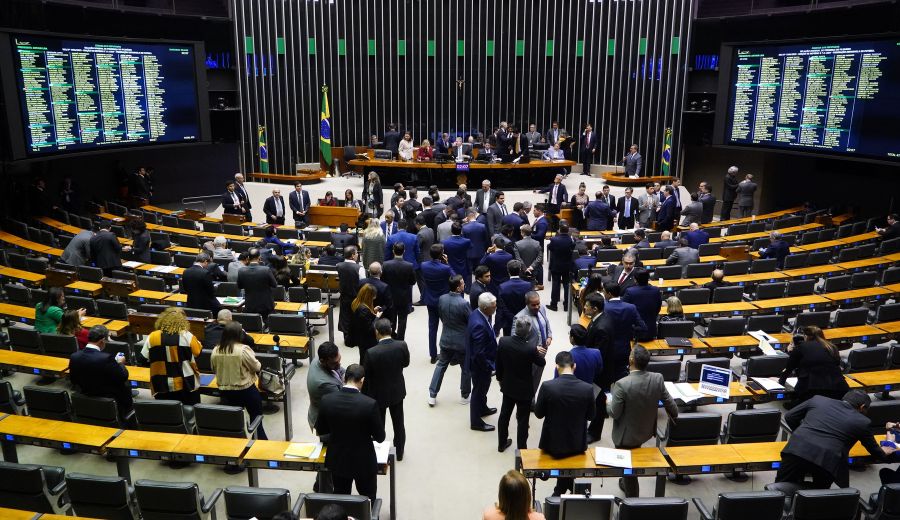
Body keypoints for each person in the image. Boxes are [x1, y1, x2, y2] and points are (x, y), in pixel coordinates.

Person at [776, 390, 890, 489]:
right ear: (862, 407)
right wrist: (887, 448)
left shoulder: (818, 400)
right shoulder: (863, 422)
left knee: (780, 488)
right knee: (817, 495)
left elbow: (789, 416)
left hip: (797, 449)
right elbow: (876, 452)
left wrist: (801, 433)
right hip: (827, 460)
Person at [607, 345, 678, 496]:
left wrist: (607, 403)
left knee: (628, 469)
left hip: (625, 437)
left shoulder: (622, 384)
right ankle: (625, 482)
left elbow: (614, 413)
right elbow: (672, 407)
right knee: (630, 464)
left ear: (631, 360)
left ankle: (632, 500)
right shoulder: (657, 378)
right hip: (645, 431)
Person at [315, 364, 386, 502]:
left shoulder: (327, 400)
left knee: (341, 498)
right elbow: (380, 437)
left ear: (344, 378)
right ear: (362, 380)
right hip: (363, 461)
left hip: (338, 460)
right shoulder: (369, 404)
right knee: (368, 499)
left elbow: (321, 430)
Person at [534, 351, 596, 496]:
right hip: (577, 443)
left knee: (563, 479)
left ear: (557, 367)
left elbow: (538, 414)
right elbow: (591, 416)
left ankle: (559, 491)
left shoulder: (547, 386)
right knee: (568, 474)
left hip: (552, 443)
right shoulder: (587, 389)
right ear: (574, 366)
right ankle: (563, 489)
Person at [210, 321, 268, 440]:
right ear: (239, 335)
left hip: (225, 392)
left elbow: (213, 368)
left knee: (234, 421)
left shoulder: (215, 350)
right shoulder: (243, 350)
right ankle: (261, 442)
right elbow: (257, 367)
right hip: (246, 391)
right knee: (256, 418)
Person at [362, 319, 409, 460]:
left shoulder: (371, 352)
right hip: (397, 391)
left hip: (378, 393)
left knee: (379, 424)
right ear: (391, 328)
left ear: (377, 332)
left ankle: (380, 452)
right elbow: (406, 363)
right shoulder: (402, 345)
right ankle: (399, 452)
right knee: (399, 423)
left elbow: (367, 375)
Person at [141, 307, 202, 405]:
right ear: (183, 321)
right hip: (186, 382)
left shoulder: (153, 336)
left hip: (161, 382)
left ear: (163, 319)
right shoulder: (187, 336)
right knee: (190, 411)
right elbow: (198, 352)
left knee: (168, 413)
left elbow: (143, 358)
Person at [69, 324, 133, 415]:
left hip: (85, 398)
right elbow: (123, 376)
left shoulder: (74, 356)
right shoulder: (106, 358)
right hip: (110, 399)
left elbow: (73, 380)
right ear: (102, 340)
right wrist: (120, 363)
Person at [429, 275, 472, 406]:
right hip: (461, 342)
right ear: (459, 287)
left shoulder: (442, 299)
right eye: (463, 283)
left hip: (445, 338)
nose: (464, 285)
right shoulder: (464, 303)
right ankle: (465, 395)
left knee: (441, 365)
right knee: (466, 368)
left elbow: (441, 316)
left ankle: (432, 394)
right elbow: (470, 322)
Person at [778, 326, 849, 405]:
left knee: (790, 406)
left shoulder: (801, 347)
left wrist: (780, 382)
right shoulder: (832, 347)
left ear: (806, 336)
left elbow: (789, 368)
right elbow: (835, 364)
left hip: (812, 391)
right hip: (838, 388)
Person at [468, 292, 499, 432]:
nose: (496, 308)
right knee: (478, 391)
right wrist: (488, 366)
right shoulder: (479, 325)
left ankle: (483, 408)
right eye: (494, 306)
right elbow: (478, 352)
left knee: (483, 389)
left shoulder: (478, 313)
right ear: (485, 308)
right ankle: (475, 421)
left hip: (483, 362)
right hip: (480, 366)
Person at [421, 244, 455, 362]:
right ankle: (448, 352)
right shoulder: (445, 268)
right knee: (448, 327)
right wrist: (447, 263)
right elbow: (455, 278)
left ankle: (433, 355)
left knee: (432, 328)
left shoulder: (424, 265)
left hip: (430, 300)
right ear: (442, 255)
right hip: (443, 301)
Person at [381, 242, 416, 340]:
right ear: (404, 251)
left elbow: (382, 280)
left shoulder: (385, 264)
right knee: (402, 319)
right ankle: (400, 338)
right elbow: (413, 282)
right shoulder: (409, 265)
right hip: (404, 297)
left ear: (393, 251)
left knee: (391, 317)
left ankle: (391, 334)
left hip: (390, 296)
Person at [622, 270, 662, 341]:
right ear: (648, 278)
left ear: (635, 280)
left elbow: (624, 309)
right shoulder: (656, 290)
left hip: (634, 331)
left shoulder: (630, 291)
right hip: (651, 329)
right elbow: (658, 308)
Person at [239, 248, 278, 320]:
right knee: (267, 324)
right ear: (259, 257)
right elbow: (274, 285)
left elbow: (240, 286)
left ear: (248, 258)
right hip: (265, 305)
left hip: (250, 304)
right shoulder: (266, 270)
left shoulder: (241, 271)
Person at [337, 246, 364, 344]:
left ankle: (346, 339)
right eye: (356, 253)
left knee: (345, 317)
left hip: (344, 296)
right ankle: (355, 339)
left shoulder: (338, 265)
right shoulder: (359, 268)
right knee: (356, 318)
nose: (357, 255)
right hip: (356, 298)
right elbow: (363, 284)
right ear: (352, 255)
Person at [547, 222, 575, 311]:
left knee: (556, 284)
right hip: (567, 266)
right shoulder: (571, 240)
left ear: (559, 230)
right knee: (566, 285)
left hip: (556, 265)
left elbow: (550, 248)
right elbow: (573, 248)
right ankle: (566, 305)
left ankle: (554, 305)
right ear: (568, 231)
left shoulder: (554, 240)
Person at [350, 284, 382, 363]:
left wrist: (373, 311)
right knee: (366, 360)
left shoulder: (356, 302)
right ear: (369, 296)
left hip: (360, 337)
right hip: (367, 340)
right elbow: (370, 328)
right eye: (373, 296)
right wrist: (377, 317)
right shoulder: (363, 310)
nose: (374, 298)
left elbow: (364, 319)